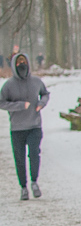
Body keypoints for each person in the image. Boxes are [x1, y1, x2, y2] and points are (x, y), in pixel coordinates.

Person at [0, 52, 50, 200]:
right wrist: (20, 105)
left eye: (24, 62)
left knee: (34, 153)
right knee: (19, 158)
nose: (21, 65)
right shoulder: (8, 85)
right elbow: (1, 102)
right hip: (17, 128)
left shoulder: (36, 81)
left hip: (34, 126)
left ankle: (34, 182)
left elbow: (45, 94)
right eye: (18, 62)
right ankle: (23, 187)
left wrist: (41, 103)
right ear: (14, 65)